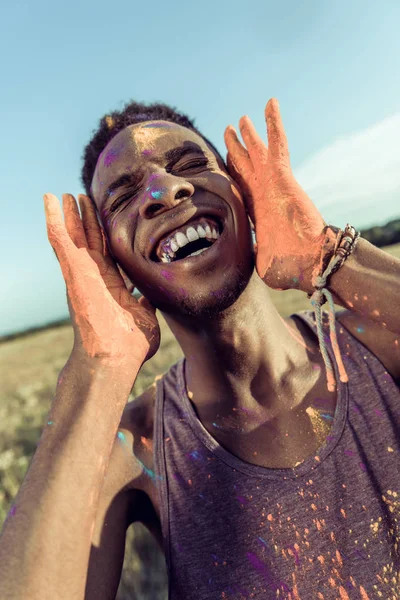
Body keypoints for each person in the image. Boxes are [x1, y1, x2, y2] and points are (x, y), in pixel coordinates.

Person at [0, 97, 399, 600]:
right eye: (124, 198)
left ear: (246, 197)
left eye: (189, 165)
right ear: (117, 264)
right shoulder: (135, 448)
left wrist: (326, 252)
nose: (165, 191)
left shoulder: (374, 347)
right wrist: (101, 365)